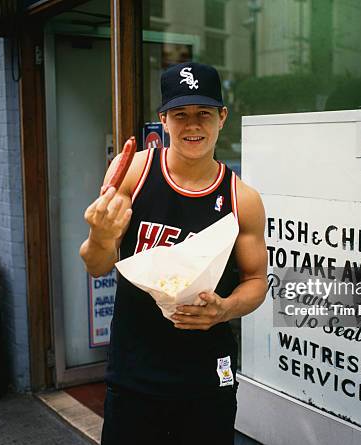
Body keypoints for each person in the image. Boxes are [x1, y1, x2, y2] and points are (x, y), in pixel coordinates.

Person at [80, 62, 268, 445]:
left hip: (206, 373)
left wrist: (225, 309)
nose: (192, 125)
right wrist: (100, 238)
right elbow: (97, 265)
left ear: (222, 117)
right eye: (180, 115)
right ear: (163, 120)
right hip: (134, 369)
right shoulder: (133, 173)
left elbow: (255, 281)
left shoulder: (242, 199)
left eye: (204, 114)